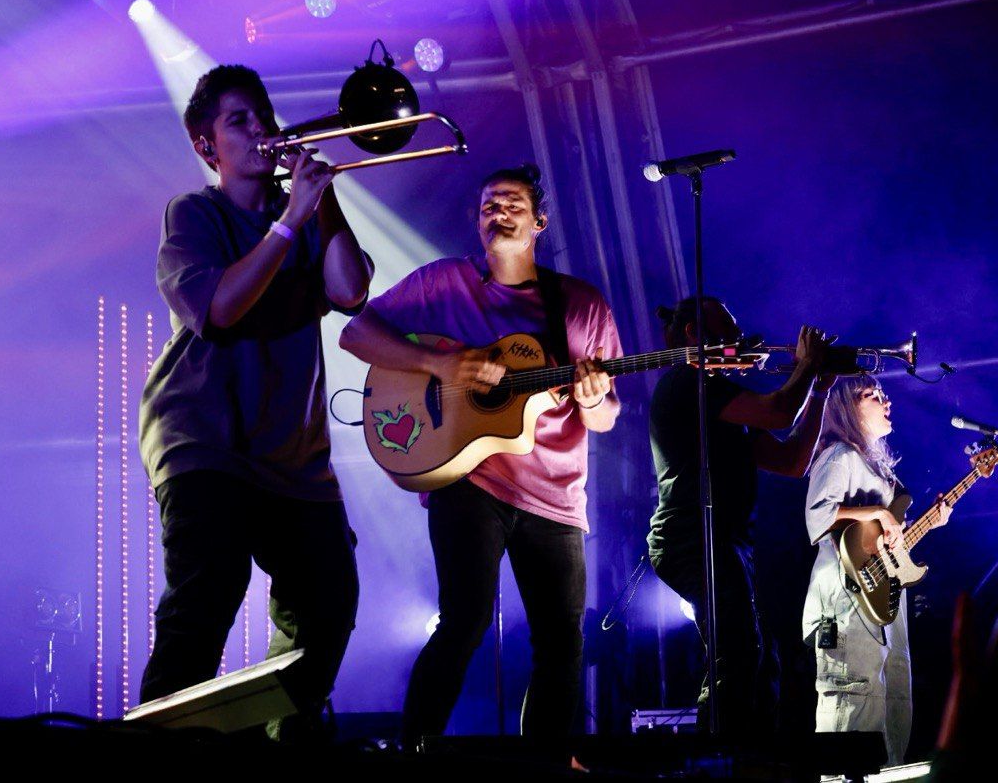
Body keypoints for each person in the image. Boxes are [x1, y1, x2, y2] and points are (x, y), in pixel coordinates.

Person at [338, 163, 621, 745]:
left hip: (556, 494)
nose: (500, 211)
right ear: (476, 219)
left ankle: (544, 763)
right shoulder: (443, 283)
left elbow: (606, 417)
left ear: (539, 221)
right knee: (463, 623)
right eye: (490, 203)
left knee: (562, 642)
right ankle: (414, 748)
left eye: (514, 203)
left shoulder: (579, 303)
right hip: (471, 480)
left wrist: (593, 397)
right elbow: (355, 333)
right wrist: (443, 365)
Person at [138, 65, 372, 738]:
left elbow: (351, 290)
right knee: (206, 598)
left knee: (328, 604)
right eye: (237, 120)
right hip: (202, 436)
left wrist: (320, 201)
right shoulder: (194, 213)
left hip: (292, 452)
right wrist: (290, 220)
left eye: (262, 116)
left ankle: (268, 737)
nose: (260, 131)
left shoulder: (298, 214)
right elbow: (220, 308)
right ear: (204, 145)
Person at [647, 297, 837, 736]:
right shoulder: (689, 384)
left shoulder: (725, 401)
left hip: (724, 539)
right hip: (691, 536)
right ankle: (715, 760)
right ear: (696, 335)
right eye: (728, 330)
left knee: (759, 657)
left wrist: (821, 390)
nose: (741, 339)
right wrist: (806, 367)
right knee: (736, 653)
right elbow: (779, 410)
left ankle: (747, 758)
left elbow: (792, 462)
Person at [801, 374, 950, 765]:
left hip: (884, 599)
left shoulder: (880, 472)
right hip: (847, 598)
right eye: (874, 395)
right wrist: (879, 512)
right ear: (849, 408)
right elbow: (818, 517)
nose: (887, 401)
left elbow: (885, 538)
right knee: (854, 699)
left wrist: (929, 522)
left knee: (894, 699)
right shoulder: (839, 456)